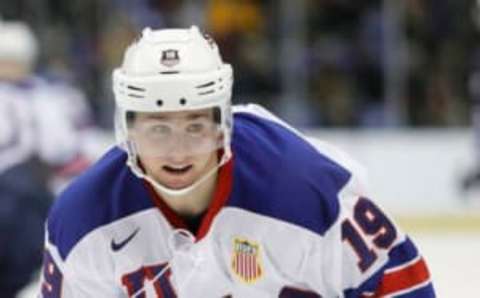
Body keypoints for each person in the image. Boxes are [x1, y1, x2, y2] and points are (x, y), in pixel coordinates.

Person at [39, 26, 435, 297]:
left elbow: (401, 285)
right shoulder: (81, 222)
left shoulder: (307, 191)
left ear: (221, 125)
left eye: (195, 126)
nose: (178, 152)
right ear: (127, 131)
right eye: (158, 129)